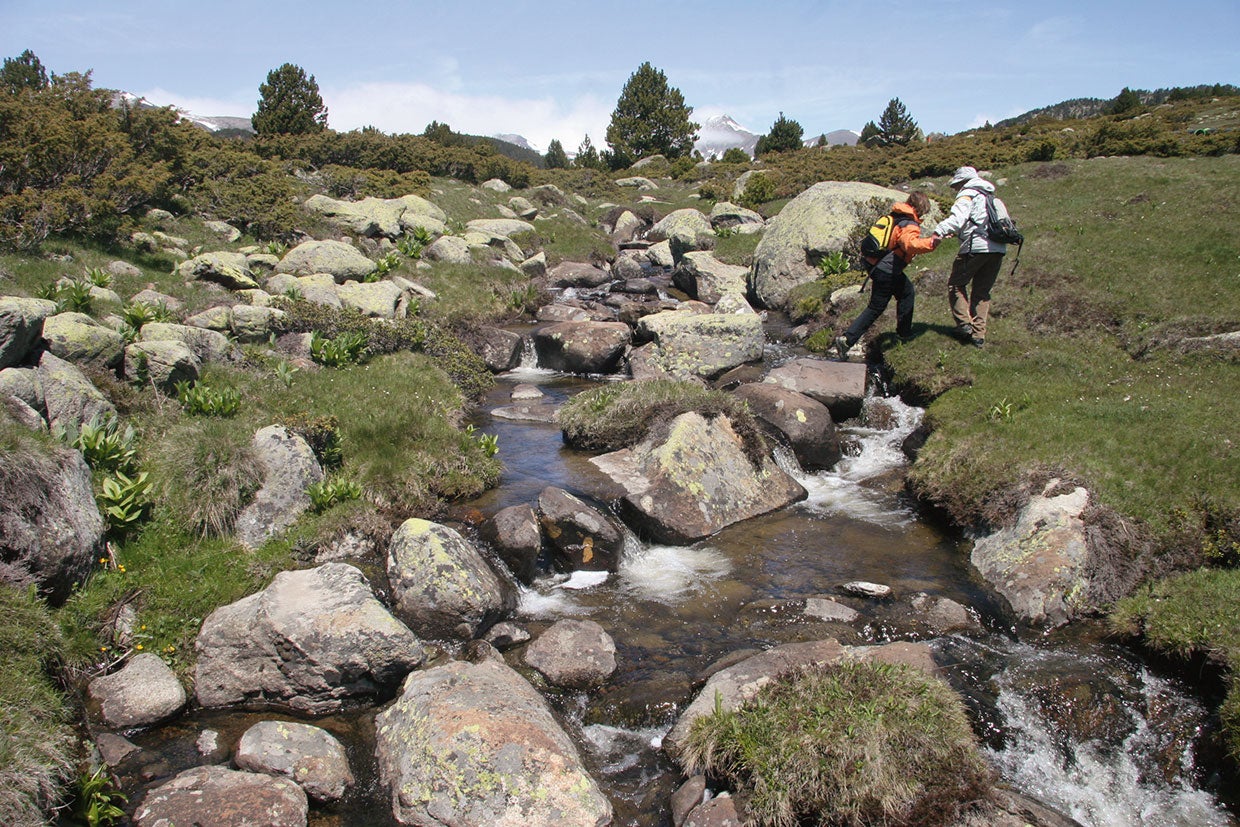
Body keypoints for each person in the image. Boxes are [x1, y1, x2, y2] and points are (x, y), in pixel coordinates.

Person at [833, 191, 939, 360]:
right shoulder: (909, 223)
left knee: (906, 292)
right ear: (922, 207)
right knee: (876, 307)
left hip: (877, 265)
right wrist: (931, 243)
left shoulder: (896, 216)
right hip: (887, 269)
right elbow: (909, 244)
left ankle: (903, 333)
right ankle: (847, 340)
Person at [932, 166, 1008, 348]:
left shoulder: (968, 194)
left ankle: (964, 325)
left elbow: (958, 219)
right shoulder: (993, 197)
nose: (956, 190)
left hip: (975, 247)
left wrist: (938, 231)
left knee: (956, 284)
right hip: (997, 249)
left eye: (957, 186)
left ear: (963, 182)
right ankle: (978, 336)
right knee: (982, 292)